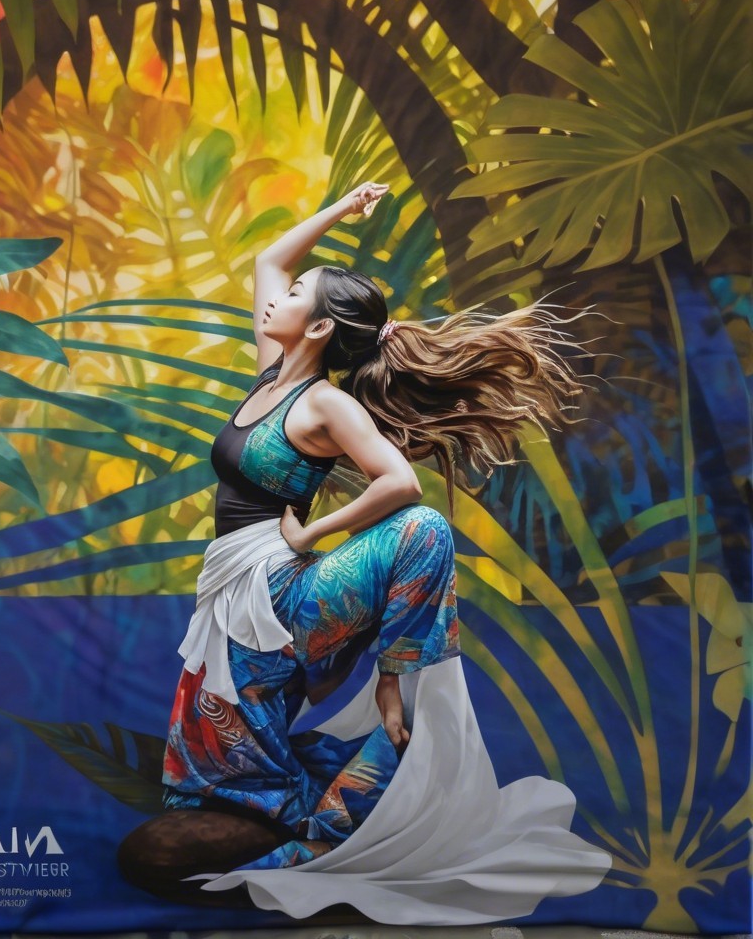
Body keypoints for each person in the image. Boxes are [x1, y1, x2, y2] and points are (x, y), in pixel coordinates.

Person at [118, 181, 612, 925]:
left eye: (295, 298)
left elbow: (401, 483)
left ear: (316, 330)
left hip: (279, 590)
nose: (275, 299)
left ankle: (385, 698)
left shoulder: (324, 404)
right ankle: (254, 807)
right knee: (215, 737)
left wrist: (312, 535)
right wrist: (343, 208)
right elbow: (268, 258)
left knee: (425, 532)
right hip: (232, 582)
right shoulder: (270, 374)